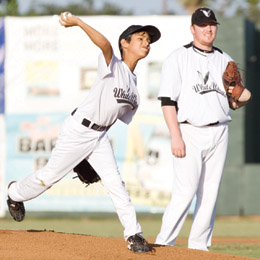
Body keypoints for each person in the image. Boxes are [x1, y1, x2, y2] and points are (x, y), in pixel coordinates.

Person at [6, 12, 161, 253]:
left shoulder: (134, 88)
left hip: (98, 137)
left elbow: (112, 118)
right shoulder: (114, 65)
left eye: (148, 40)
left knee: (115, 183)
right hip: (78, 129)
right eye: (141, 38)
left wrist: (91, 151)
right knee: (49, 177)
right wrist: (78, 22)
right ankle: (14, 192)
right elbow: (105, 44)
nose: (146, 43)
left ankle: (134, 234)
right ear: (125, 43)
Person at [155, 7, 251, 251]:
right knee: (185, 192)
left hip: (219, 130)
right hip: (189, 130)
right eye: (203, 24)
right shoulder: (178, 58)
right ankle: (164, 243)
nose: (209, 29)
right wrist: (175, 135)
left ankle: (199, 248)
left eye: (212, 24)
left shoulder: (224, 59)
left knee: (209, 194)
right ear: (192, 29)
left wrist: (240, 97)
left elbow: (232, 103)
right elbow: (167, 101)